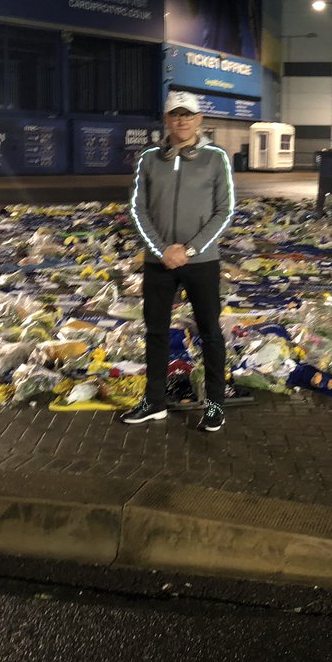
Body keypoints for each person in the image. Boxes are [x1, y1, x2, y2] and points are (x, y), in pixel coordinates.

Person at [120, 89, 235, 432]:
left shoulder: (216, 159)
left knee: (210, 332)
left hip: (201, 262)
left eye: (188, 115)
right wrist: (162, 251)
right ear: (167, 121)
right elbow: (137, 210)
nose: (182, 120)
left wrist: (190, 249)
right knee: (155, 332)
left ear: (199, 120)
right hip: (158, 263)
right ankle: (154, 401)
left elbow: (224, 211)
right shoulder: (149, 160)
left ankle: (214, 404)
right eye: (175, 115)